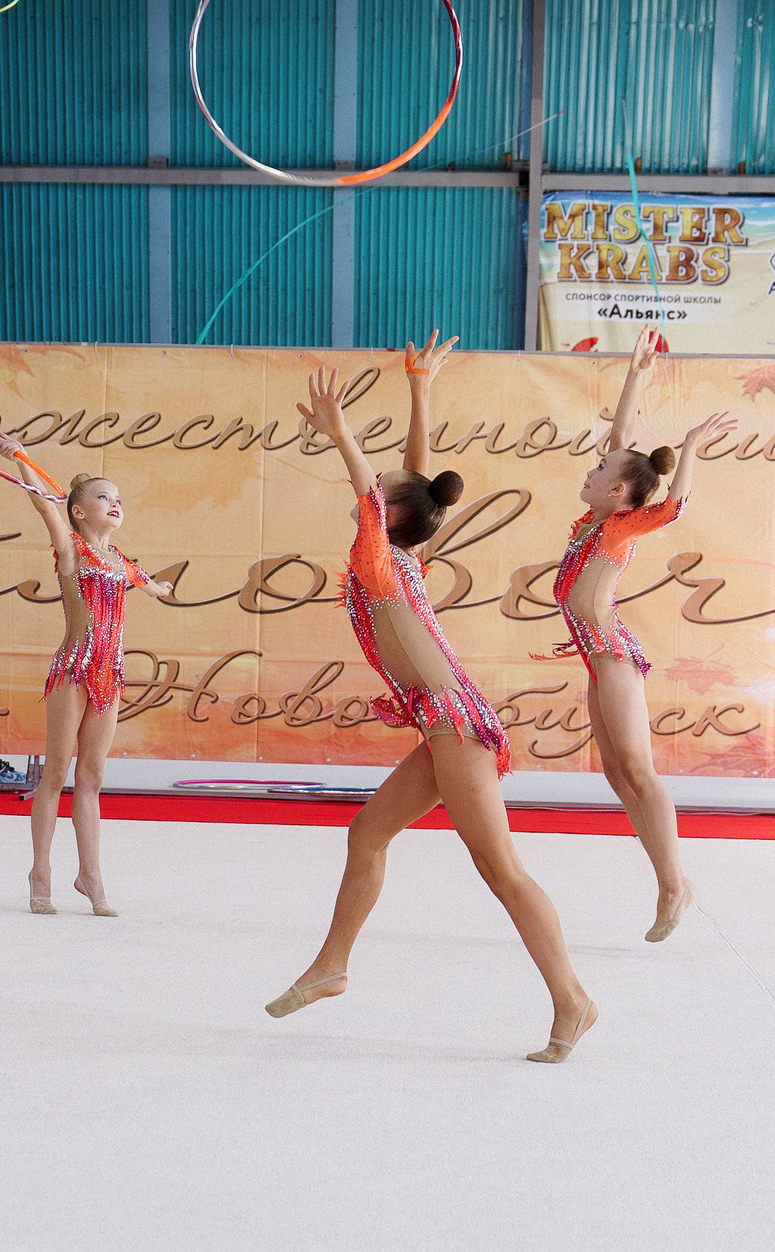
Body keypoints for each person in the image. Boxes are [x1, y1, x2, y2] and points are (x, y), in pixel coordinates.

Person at [264, 359, 597, 1064]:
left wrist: (340, 430)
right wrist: (420, 392)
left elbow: (379, 494)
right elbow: (414, 484)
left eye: (378, 498)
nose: (372, 495)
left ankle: (573, 997)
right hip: (441, 722)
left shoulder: (382, 558)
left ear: (386, 517)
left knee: (501, 868)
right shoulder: (404, 554)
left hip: (456, 724)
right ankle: (332, 965)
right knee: (366, 834)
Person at [552, 327, 735, 944]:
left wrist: (688, 450)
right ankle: (668, 877)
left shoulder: (617, 529)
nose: (593, 464)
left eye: (601, 468)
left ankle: (674, 884)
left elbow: (674, 506)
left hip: (614, 658)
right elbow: (620, 442)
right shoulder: (594, 518)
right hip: (597, 663)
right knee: (614, 771)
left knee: (636, 767)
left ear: (619, 491)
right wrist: (636, 374)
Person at [0, 442, 173, 917]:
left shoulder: (121, 560)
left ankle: (90, 875)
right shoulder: (71, 548)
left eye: (118, 498)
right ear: (77, 511)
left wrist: (159, 588)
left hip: (110, 676)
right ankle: (40, 872)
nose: (116, 503)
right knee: (55, 772)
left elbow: (147, 582)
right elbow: (41, 502)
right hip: (74, 668)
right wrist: (19, 458)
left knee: (92, 776)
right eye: (103, 498)